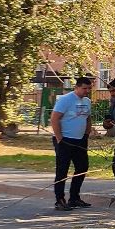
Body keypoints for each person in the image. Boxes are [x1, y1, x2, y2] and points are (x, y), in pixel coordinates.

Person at [49, 74, 95, 210]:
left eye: (89, 89)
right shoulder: (66, 100)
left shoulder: (87, 101)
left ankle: (74, 197)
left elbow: (87, 119)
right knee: (62, 170)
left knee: (82, 167)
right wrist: (59, 138)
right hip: (65, 140)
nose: (87, 91)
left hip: (80, 140)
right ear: (76, 87)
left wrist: (86, 134)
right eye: (85, 88)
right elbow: (54, 119)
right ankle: (60, 199)